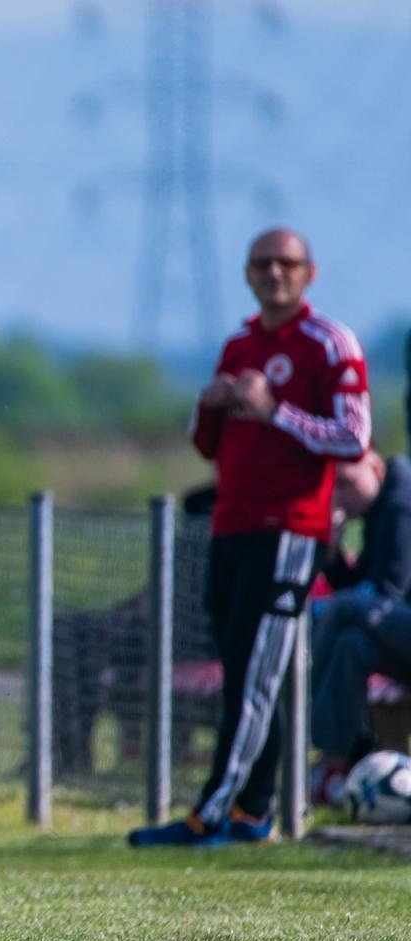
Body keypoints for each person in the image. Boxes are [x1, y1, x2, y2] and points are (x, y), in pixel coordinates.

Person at [129, 227, 370, 847]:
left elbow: (352, 438)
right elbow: (206, 443)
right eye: (262, 264)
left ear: (308, 273)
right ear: (247, 273)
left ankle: (210, 812)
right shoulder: (239, 344)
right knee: (240, 669)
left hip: (288, 530)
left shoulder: (329, 344)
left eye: (286, 264)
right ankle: (251, 812)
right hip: (231, 525)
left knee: (257, 677)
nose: (274, 274)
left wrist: (275, 412)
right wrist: (211, 406)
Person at [308, 450, 411, 804]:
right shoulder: (378, 510)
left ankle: (306, 725)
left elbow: (388, 594)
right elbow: (360, 586)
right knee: (351, 644)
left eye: (346, 483)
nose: (340, 496)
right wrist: (331, 552)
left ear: (376, 468)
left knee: (341, 611)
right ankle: (334, 765)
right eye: (332, 486)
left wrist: (340, 603)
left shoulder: (402, 502)